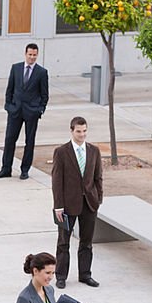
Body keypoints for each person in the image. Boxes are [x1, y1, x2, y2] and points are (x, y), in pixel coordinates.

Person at [51, 116, 102, 289]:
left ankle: (85, 274)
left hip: (89, 203)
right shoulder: (61, 152)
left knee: (87, 242)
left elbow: (98, 177)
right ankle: (61, 276)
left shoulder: (94, 151)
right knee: (63, 242)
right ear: (72, 131)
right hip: (67, 205)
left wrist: (98, 198)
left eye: (85, 131)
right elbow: (57, 181)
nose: (82, 135)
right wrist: (58, 205)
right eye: (79, 131)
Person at [0, 43, 49, 180]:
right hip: (15, 111)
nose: (32, 57)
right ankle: (6, 168)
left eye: (34, 55)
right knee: (9, 139)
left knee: (29, 141)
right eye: (30, 54)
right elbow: (10, 89)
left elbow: (45, 94)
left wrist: (40, 109)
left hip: (32, 112)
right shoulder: (16, 68)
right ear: (25, 54)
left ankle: (25, 170)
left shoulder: (42, 72)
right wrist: (8, 106)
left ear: (37, 55)